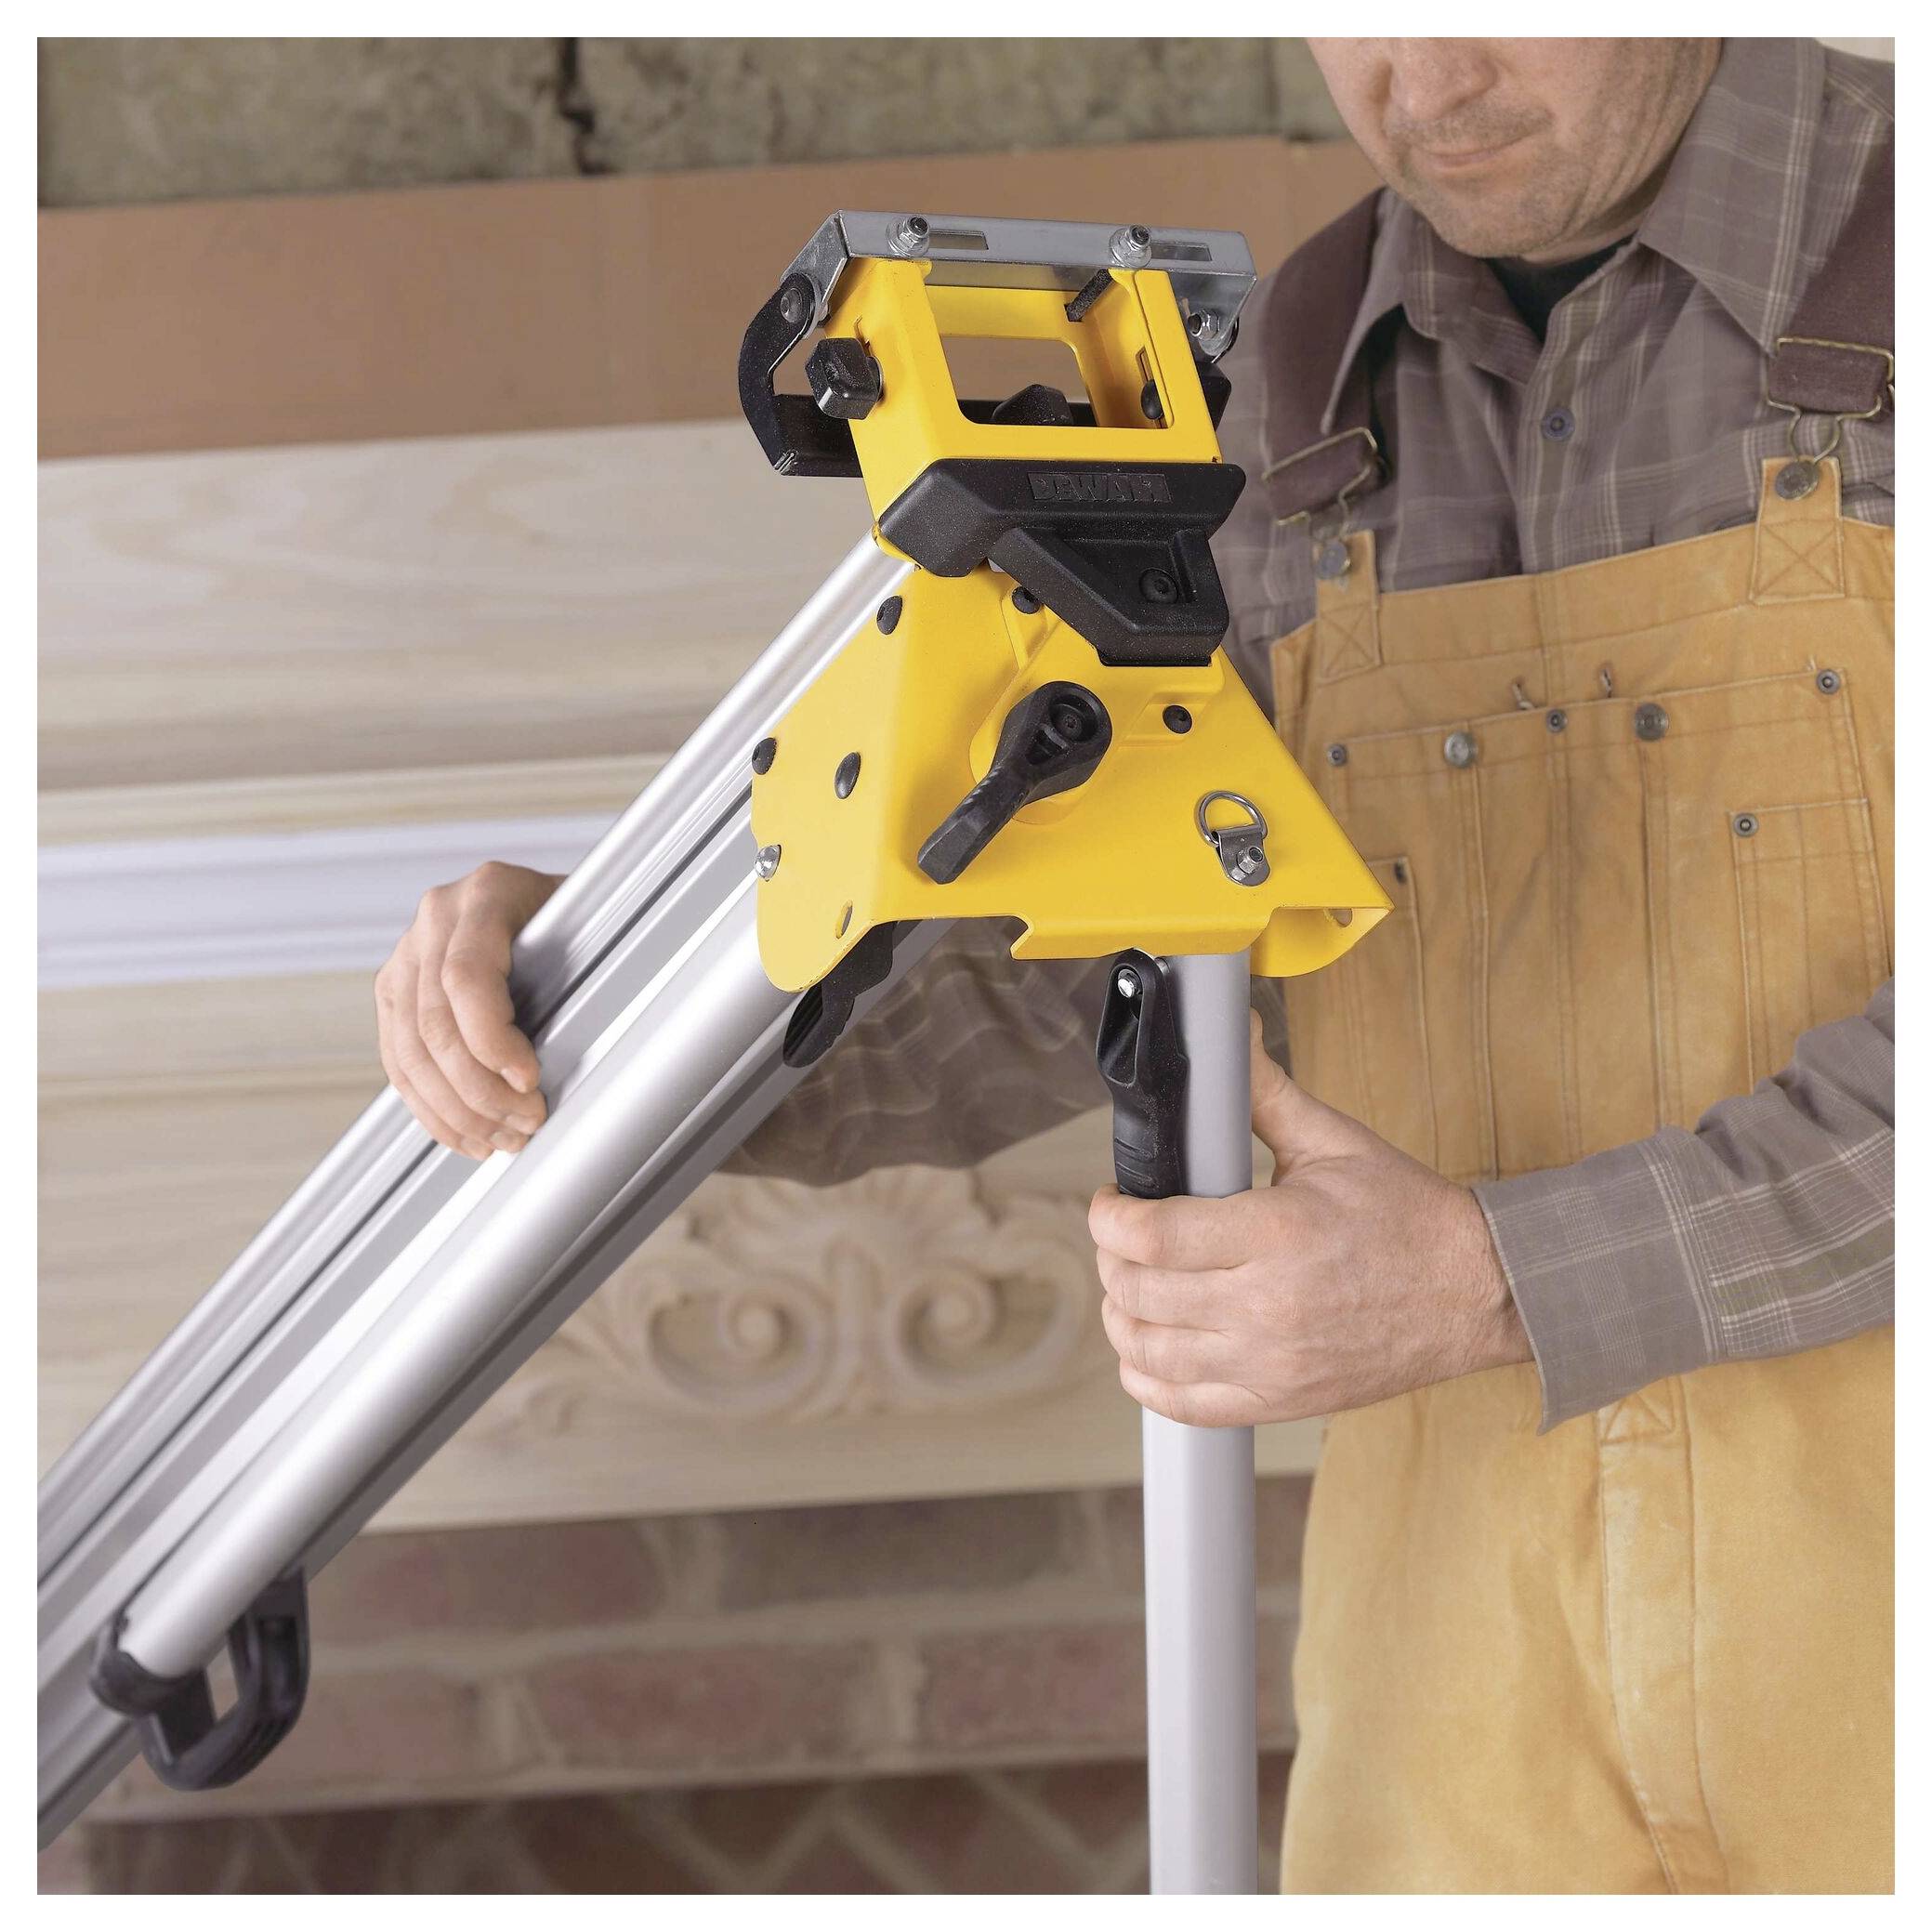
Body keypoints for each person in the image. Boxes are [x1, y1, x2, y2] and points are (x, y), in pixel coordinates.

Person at [375, 38, 1893, 1892]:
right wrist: (601, 980)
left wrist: (1494, 1280)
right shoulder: (1285, 379)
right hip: (1463, 1689)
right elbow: (1071, 957)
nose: (1424, 75)